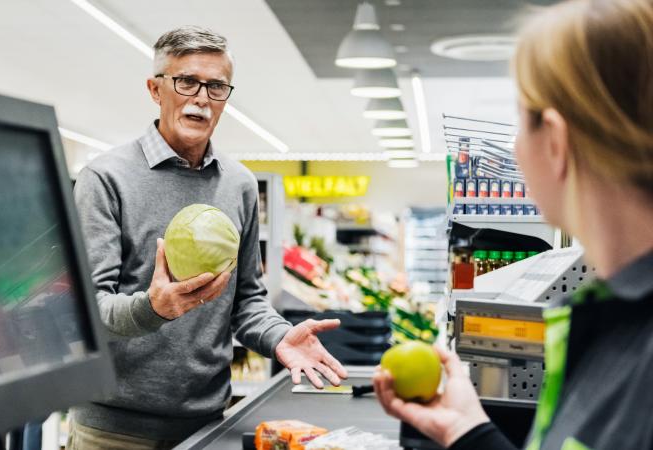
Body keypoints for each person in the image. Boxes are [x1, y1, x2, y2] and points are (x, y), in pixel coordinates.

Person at [373, 0, 653, 449]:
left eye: (520, 120)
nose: (516, 148)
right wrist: (467, 430)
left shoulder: (637, 351)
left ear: (557, 143)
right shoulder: (615, 322)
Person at [69, 26, 348, 450]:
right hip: (114, 431)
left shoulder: (238, 184)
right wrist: (153, 307)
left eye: (216, 86)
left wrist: (279, 337)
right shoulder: (105, 179)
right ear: (155, 89)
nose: (202, 97)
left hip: (207, 424)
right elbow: (89, 310)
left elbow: (248, 299)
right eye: (187, 82)